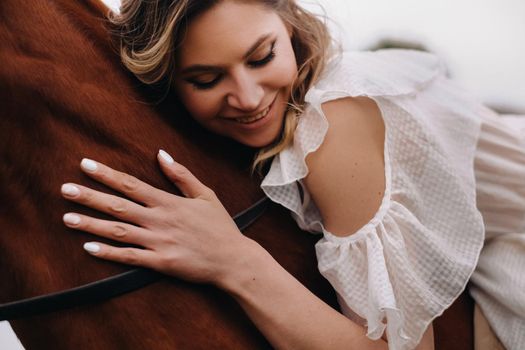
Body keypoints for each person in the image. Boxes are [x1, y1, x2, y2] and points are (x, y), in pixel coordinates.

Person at [59, 0, 525, 349]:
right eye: (205, 80)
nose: (246, 97)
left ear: (291, 25)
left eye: (261, 57)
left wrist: (232, 259)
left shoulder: (331, 120)